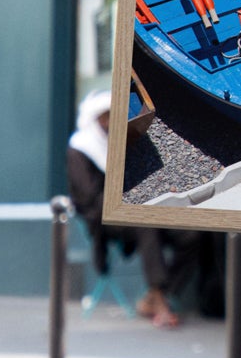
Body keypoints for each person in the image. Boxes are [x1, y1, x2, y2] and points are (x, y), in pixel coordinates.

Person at [66, 90, 180, 327]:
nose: (109, 122)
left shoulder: (123, 142)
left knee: (192, 234)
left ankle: (159, 293)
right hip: (104, 219)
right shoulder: (80, 148)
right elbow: (89, 198)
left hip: (139, 211)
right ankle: (159, 298)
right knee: (144, 222)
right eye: (105, 117)